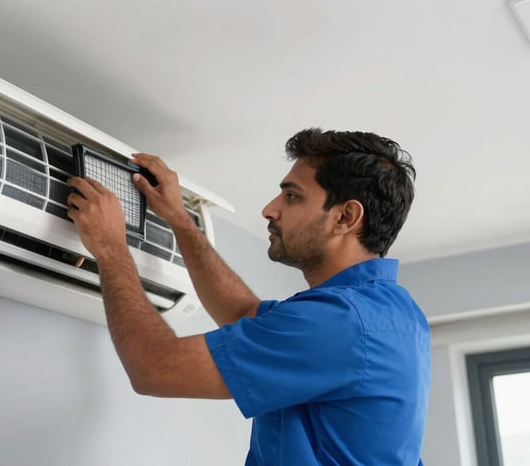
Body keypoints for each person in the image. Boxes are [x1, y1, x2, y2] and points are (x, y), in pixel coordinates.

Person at [66, 128, 430, 465]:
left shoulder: (341, 322)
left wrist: (111, 248)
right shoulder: (392, 313)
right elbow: (242, 311)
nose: (270, 209)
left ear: (345, 217)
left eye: (292, 196)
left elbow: (154, 367)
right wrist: (179, 218)